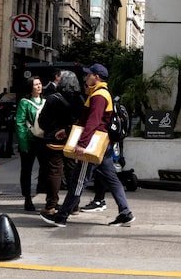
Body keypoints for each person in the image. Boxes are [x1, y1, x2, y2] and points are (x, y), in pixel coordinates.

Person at [41, 63, 134, 228]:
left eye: (89, 74)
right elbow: (86, 121)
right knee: (112, 179)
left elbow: (93, 121)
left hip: (92, 144)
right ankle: (125, 213)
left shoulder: (99, 95)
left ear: (96, 77)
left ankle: (62, 216)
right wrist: (68, 131)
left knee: (79, 180)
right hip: (101, 144)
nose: (86, 77)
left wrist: (82, 144)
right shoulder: (101, 93)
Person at [38, 69, 83, 215]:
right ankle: (74, 205)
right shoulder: (79, 99)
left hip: (53, 140)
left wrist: (51, 129)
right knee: (72, 171)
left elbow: (42, 121)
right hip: (72, 140)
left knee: (54, 172)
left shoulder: (52, 98)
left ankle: (51, 205)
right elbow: (81, 120)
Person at [15, 76, 45, 210]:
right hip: (29, 140)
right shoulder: (25, 102)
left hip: (43, 140)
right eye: (35, 84)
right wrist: (23, 144)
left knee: (46, 169)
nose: (39, 86)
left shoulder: (45, 101)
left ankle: (46, 196)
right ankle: (27, 198)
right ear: (30, 87)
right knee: (27, 170)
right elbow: (20, 123)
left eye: (40, 83)